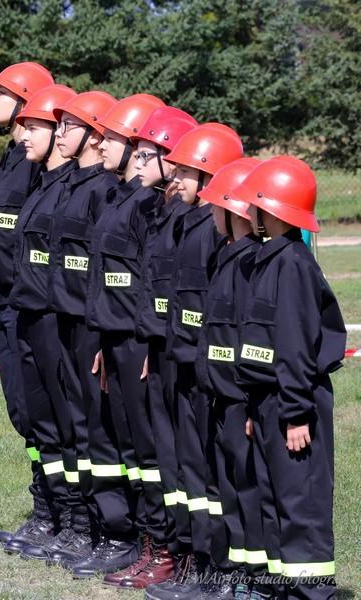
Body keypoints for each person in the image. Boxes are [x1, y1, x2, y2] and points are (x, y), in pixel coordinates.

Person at [233, 156, 346, 600]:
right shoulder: (269, 260)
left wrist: (296, 412)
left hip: (293, 403)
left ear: (272, 209)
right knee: (275, 501)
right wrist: (254, 406)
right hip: (269, 401)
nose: (248, 212)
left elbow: (295, 345)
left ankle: (312, 593)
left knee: (302, 505)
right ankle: (285, 589)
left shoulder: (294, 264)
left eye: (254, 204)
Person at [14, 91, 119, 566]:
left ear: (95, 134)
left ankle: (94, 525)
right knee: (56, 423)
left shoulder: (101, 190)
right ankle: (70, 520)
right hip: (48, 317)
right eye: (57, 126)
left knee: (83, 426)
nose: (60, 134)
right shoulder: (65, 184)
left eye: (69, 126)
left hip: (78, 323)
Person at [145, 123, 244, 600]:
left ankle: (219, 569)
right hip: (180, 362)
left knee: (210, 472)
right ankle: (197, 560)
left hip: (205, 371)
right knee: (188, 469)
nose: (175, 178)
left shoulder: (215, 231)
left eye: (185, 171)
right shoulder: (187, 221)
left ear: (210, 175)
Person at [103, 105, 198, 589]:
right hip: (140, 343)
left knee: (165, 457)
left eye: (147, 156)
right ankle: (153, 546)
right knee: (140, 451)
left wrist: (147, 346)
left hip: (162, 352)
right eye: (136, 154)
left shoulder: (187, 222)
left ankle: (172, 552)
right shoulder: (154, 210)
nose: (137, 164)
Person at [74, 93, 166, 581]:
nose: (101, 144)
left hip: (136, 341)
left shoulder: (147, 204)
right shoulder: (120, 197)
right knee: (128, 447)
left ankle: (162, 548)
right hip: (114, 339)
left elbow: (150, 280)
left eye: (110, 137)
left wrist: (145, 342)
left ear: (135, 145)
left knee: (147, 449)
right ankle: (142, 543)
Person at [0, 62, 55, 549]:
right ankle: (46, 507)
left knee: (39, 411)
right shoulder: (13, 158)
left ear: (27, 102)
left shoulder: (37, 166)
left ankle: (55, 513)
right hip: (6, 303)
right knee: (22, 412)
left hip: (28, 305)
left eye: (1, 91)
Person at [3, 84, 78, 557]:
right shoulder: (41, 183)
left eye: (33, 127)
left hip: (55, 320)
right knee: (40, 421)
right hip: (27, 313)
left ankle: (77, 521)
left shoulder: (72, 189)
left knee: (67, 424)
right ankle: (53, 515)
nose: (24, 135)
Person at [194, 157, 266, 600]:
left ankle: (255, 580)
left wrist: (250, 401)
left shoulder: (250, 265)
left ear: (233, 210)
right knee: (228, 491)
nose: (210, 214)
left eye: (215, 206)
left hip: (240, 401)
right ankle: (235, 576)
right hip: (221, 397)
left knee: (248, 492)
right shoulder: (228, 258)